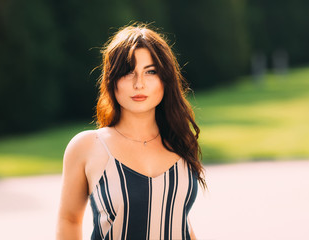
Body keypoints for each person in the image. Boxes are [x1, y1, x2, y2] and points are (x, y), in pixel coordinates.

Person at [56, 23, 206, 240]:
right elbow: (69, 219)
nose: (139, 84)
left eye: (151, 71)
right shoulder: (87, 146)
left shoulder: (180, 141)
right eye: (128, 72)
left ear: (166, 79)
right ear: (111, 79)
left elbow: (177, 217)